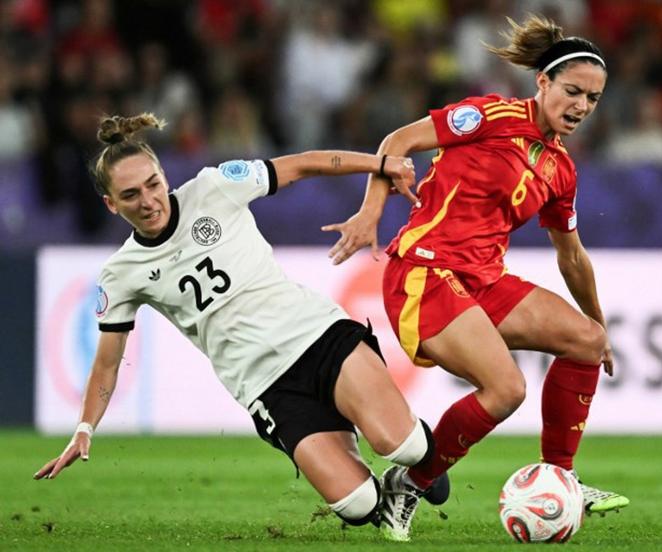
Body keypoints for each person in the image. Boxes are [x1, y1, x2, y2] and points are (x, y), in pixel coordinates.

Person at [34, 113, 449, 531]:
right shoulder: (122, 274)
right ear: (111, 204)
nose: (148, 201)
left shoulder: (215, 187)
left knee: (405, 445)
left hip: (316, 335)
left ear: (163, 175)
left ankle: (410, 467)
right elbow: (107, 362)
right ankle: (372, 474)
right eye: (130, 195)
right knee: (359, 506)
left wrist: (379, 164)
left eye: (153, 184)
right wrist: (85, 427)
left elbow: (303, 163)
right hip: (265, 384)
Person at [323, 15, 629, 541]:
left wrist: (599, 327)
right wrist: (371, 209)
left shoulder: (560, 169)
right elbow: (398, 140)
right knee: (506, 388)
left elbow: (572, 257)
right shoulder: (491, 115)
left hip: (482, 280)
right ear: (543, 83)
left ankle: (561, 478)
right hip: (425, 272)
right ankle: (411, 483)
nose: (580, 106)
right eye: (573, 91)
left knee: (585, 341)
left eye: (593, 99)